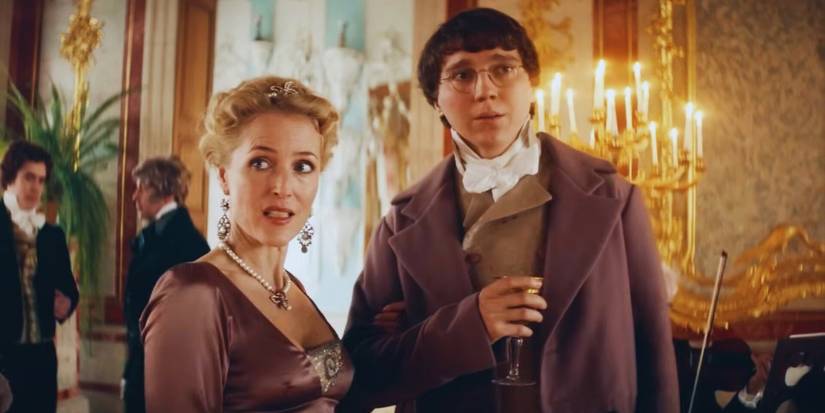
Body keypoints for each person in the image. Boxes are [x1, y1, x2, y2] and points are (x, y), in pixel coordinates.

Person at [341, 8, 679, 413]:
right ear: (436, 101)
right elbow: (358, 374)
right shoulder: (401, 221)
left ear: (532, 84)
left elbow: (654, 354)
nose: (485, 90)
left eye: (503, 68)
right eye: (462, 75)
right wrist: (466, 327)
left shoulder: (615, 198)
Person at [140, 76, 350, 412]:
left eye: (303, 166)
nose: (283, 186)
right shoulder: (192, 293)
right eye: (261, 163)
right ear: (223, 174)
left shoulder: (292, 288)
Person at [122, 156, 210, 413]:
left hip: (167, 371)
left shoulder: (186, 242)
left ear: (162, 190)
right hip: (145, 363)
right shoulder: (155, 235)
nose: (134, 196)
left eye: (141, 187)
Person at [0, 140, 79, 413]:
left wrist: (67, 303)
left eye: (41, 180)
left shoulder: (51, 234)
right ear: (10, 178)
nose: (36, 187)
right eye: (29, 178)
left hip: (42, 356)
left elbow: (69, 287)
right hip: (3, 357)